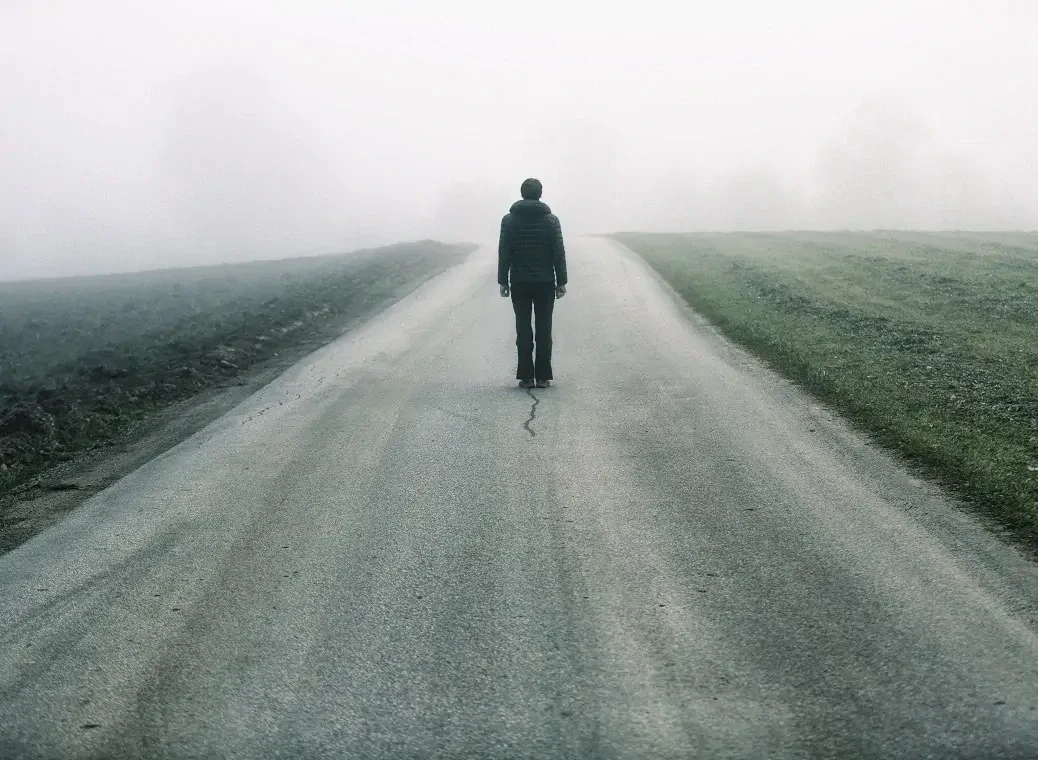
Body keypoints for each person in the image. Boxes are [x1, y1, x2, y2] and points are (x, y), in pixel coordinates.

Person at [498, 178, 568, 389]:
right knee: (544, 327)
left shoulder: (508, 221)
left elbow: (504, 252)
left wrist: (503, 281)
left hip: (519, 281)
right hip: (545, 281)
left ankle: (526, 377)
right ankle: (543, 377)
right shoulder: (551, 221)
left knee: (523, 327)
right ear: (540, 194)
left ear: (522, 194)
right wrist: (561, 282)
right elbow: (559, 253)